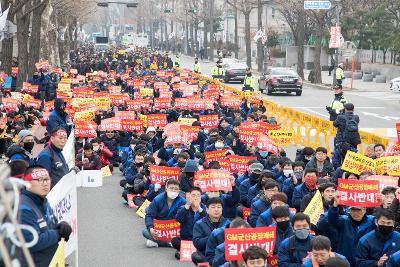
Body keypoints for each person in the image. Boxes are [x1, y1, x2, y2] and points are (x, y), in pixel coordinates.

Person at [19, 166, 72, 266]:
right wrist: (58, 233)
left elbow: (52, 225)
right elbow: (33, 241)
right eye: (39, 180)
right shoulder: (23, 208)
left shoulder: (44, 201)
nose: (45, 183)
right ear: (27, 183)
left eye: (47, 179)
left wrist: (61, 226)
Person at [328, 191, 375, 266]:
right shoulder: (344, 221)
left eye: (358, 210)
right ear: (349, 210)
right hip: (346, 262)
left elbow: (384, 220)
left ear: (364, 210)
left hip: (365, 262)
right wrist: (335, 204)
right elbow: (332, 220)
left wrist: (383, 205)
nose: (355, 213)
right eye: (353, 210)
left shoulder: (372, 221)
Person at [143, 179, 186, 248]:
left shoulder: (183, 202)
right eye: (171, 188)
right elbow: (149, 215)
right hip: (161, 230)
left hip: (175, 230)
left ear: (179, 191)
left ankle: (159, 243)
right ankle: (169, 243)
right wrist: (151, 228)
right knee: (145, 231)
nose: (173, 190)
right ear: (166, 189)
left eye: (176, 189)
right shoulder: (157, 200)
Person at [192, 197, 230, 265]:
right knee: (195, 256)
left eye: (219, 207)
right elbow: (197, 243)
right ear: (207, 210)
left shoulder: (228, 224)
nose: (216, 210)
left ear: (222, 209)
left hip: (222, 255)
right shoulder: (199, 224)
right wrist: (212, 235)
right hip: (206, 254)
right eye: (213, 207)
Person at [173, 187, 206, 259]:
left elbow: (208, 220)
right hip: (186, 239)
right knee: (175, 241)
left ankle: (188, 253)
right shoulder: (183, 208)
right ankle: (187, 251)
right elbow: (178, 219)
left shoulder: (205, 208)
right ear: (189, 196)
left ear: (201, 197)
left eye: (198, 196)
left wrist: (199, 209)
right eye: (193, 195)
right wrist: (187, 205)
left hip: (199, 240)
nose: (196, 198)